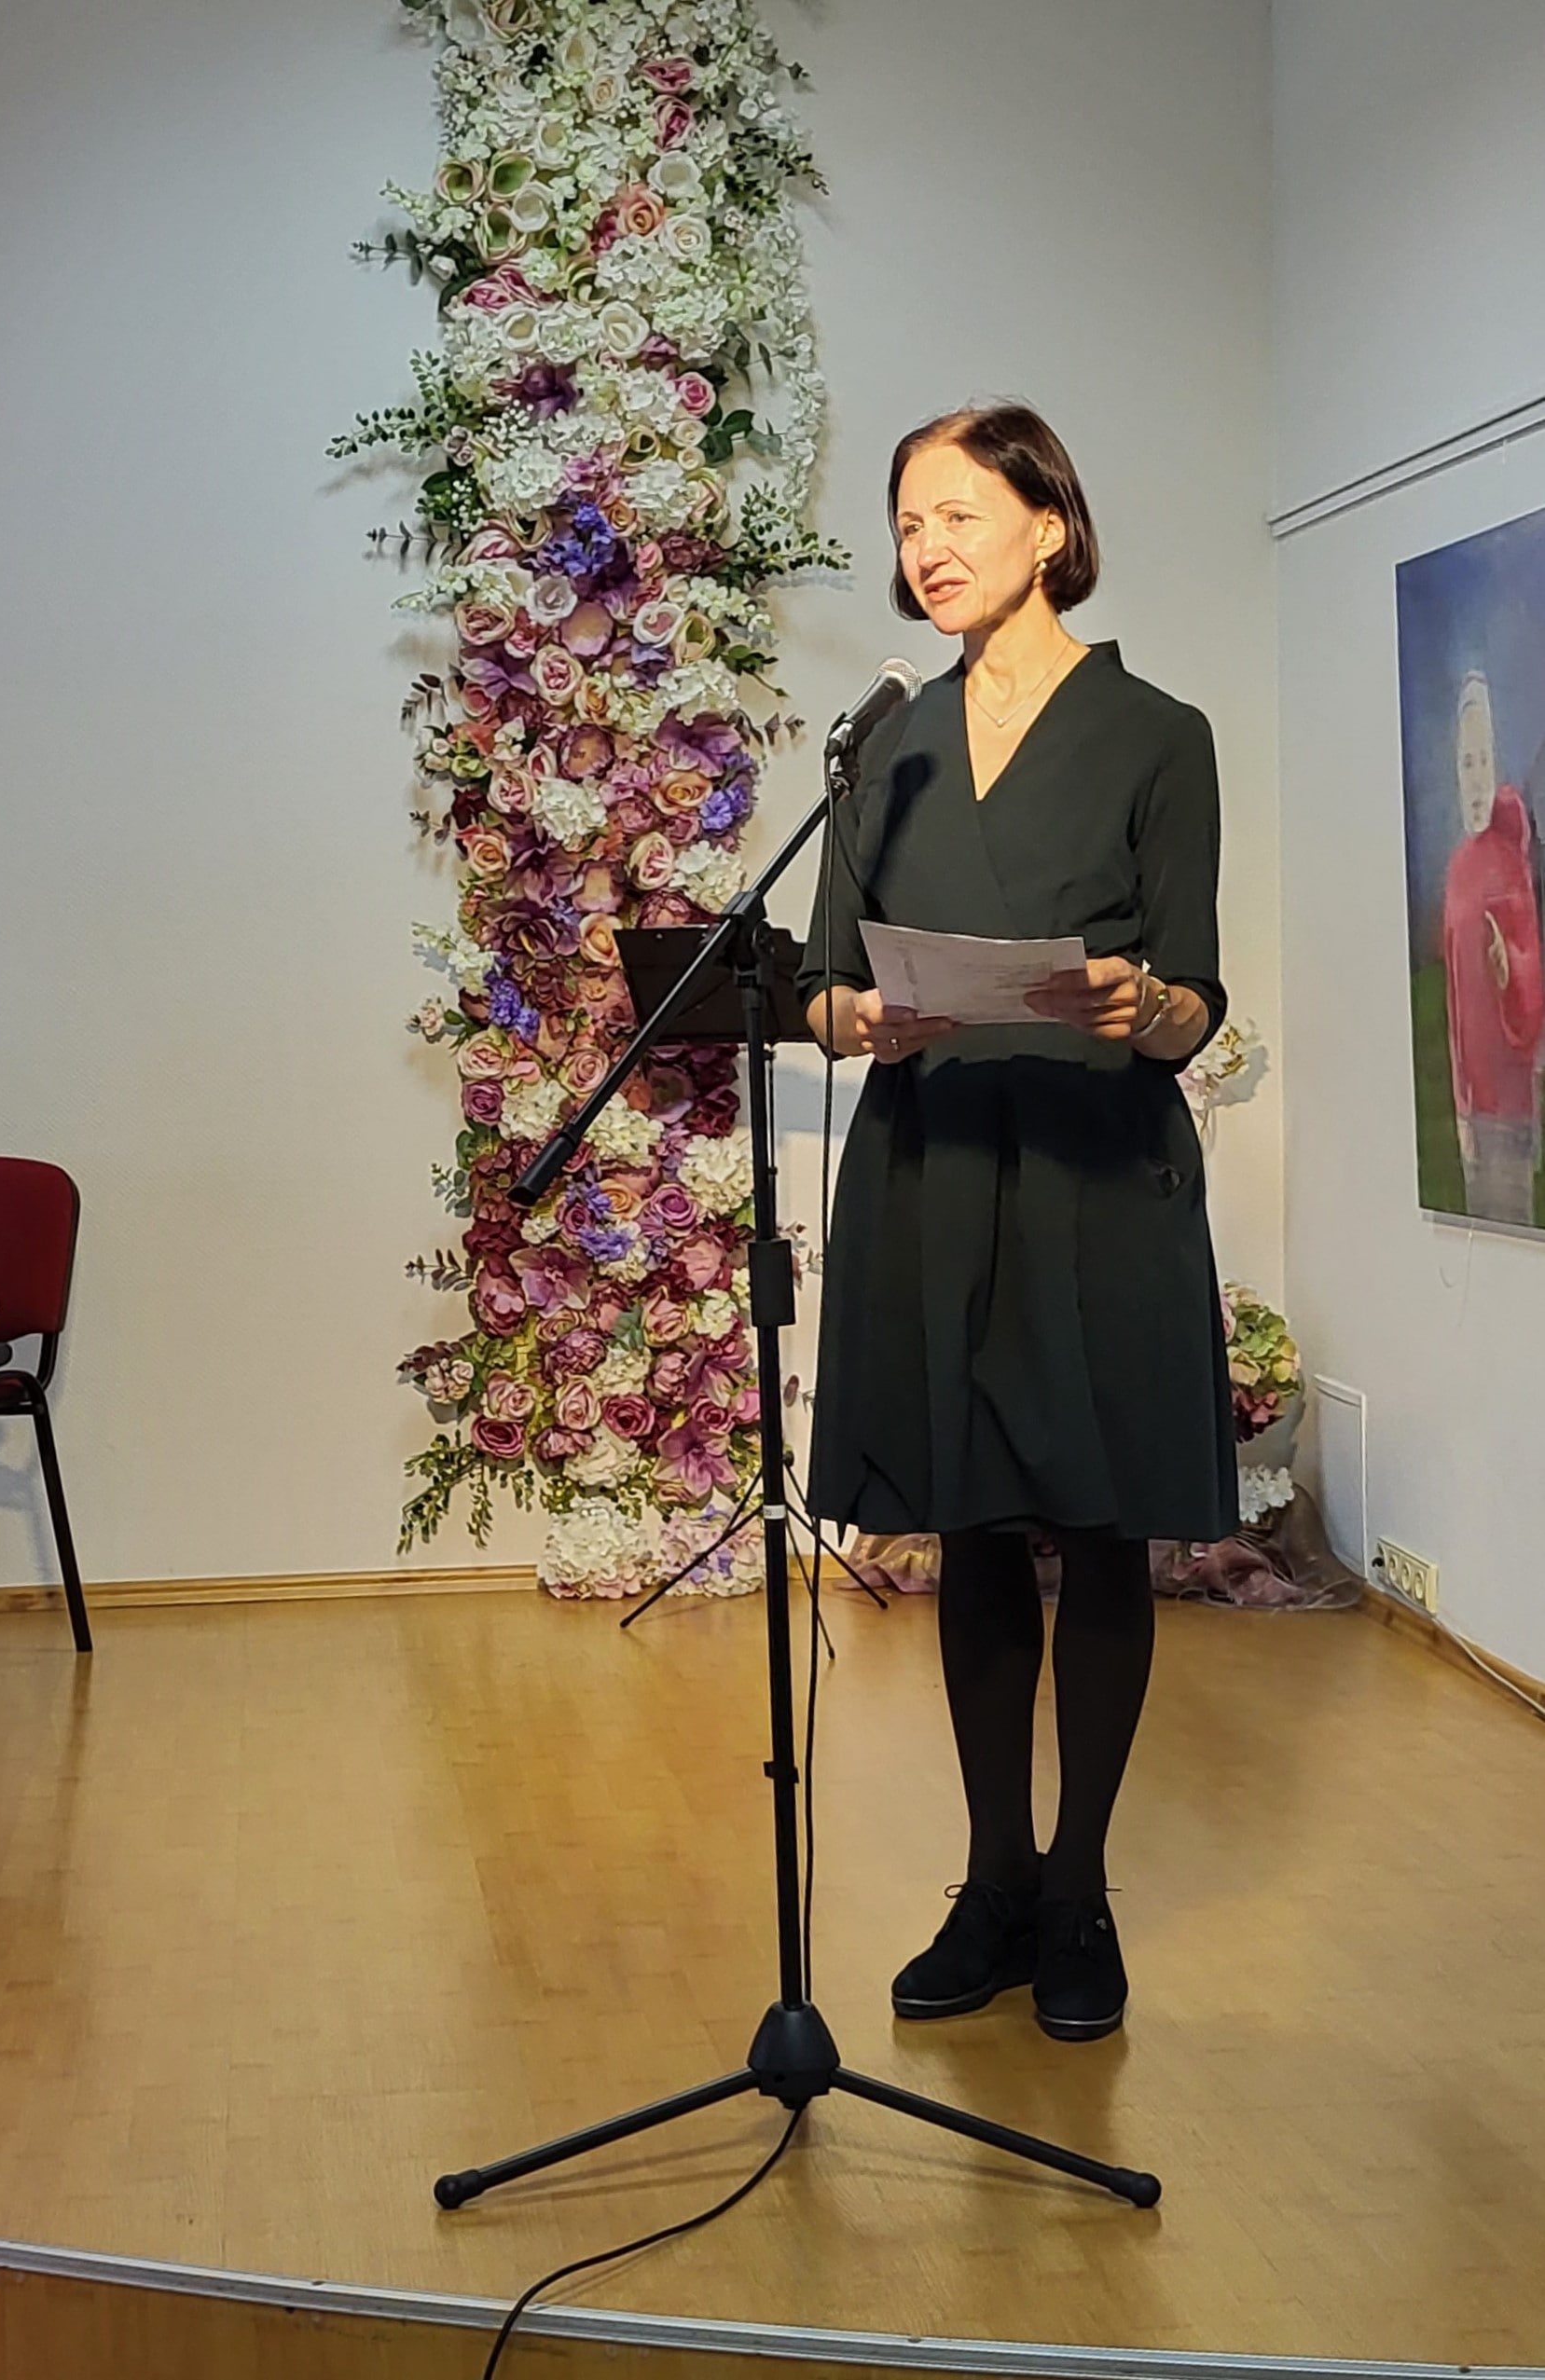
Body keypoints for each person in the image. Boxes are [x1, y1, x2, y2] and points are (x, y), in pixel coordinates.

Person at [798, 403, 1234, 2043]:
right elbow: (825, 984)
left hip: (1093, 1167)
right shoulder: (882, 746)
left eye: (955, 513)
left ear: (1046, 525)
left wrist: (1142, 1003)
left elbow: (1195, 995)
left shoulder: (1155, 734)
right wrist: (854, 1020)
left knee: (1098, 1526)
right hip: (931, 1159)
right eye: (906, 522)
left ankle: (1077, 1890)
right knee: (969, 1525)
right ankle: (989, 1882)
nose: (925, 547)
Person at [1441, 668, 1543, 1224]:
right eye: (1466, 763)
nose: (1476, 777)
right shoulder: (1458, 869)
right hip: (1474, 1117)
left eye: (1484, 761)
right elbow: (1455, 1001)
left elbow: (1531, 989)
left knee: (1511, 1231)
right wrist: (1460, 1108)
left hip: (1510, 1111)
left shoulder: (1509, 859)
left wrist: (1509, 971)